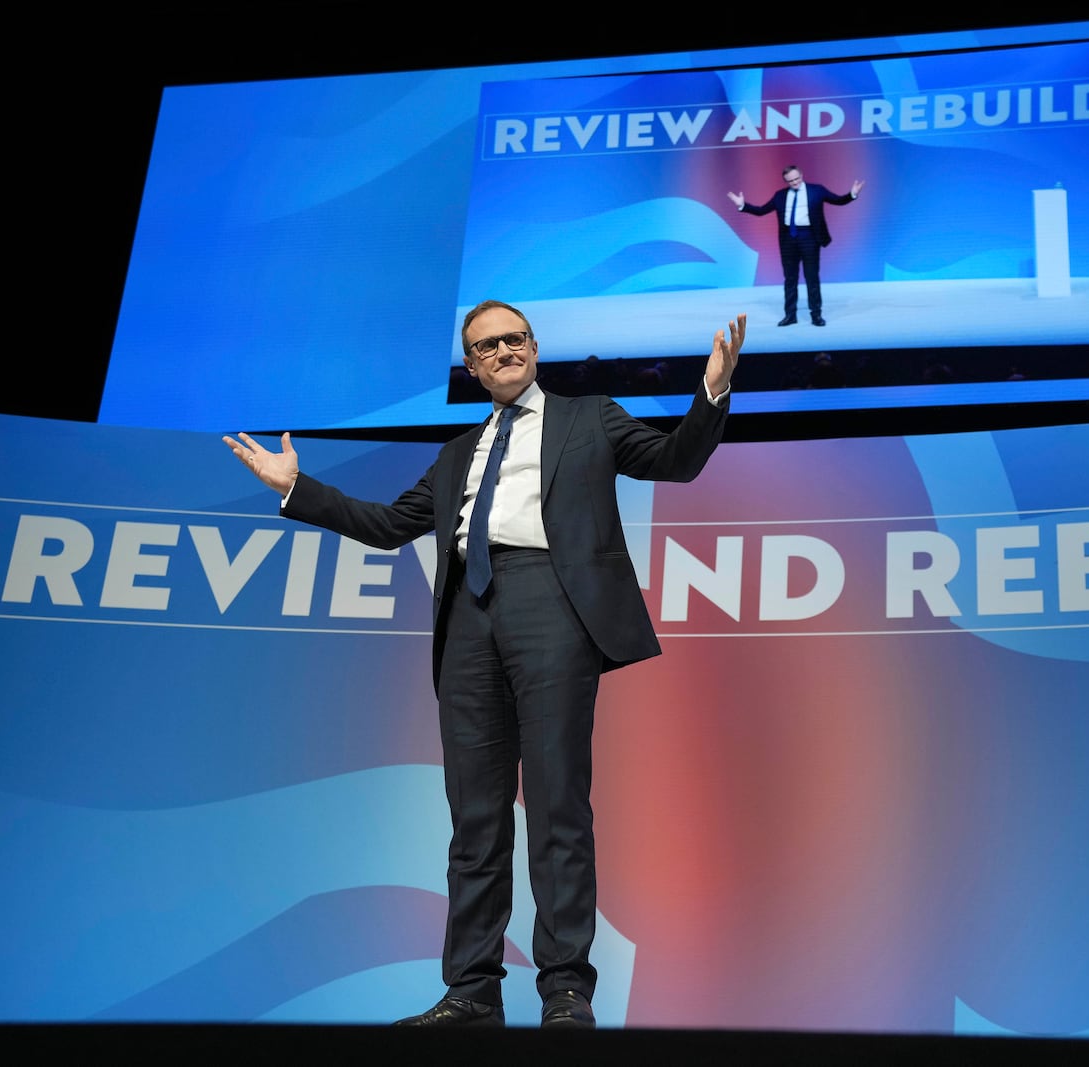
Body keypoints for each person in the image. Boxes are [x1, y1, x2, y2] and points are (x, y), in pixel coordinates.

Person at [224, 301, 747, 1030]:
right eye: (486, 346)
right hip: (466, 618)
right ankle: (472, 989)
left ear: (533, 347)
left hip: (551, 603)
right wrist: (294, 486)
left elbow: (675, 462)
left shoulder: (589, 417)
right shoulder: (456, 453)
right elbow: (386, 528)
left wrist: (713, 391)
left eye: (513, 339)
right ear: (471, 367)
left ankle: (565, 987)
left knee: (558, 804)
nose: (503, 351)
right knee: (474, 818)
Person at [728, 165, 864, 327]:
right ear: (786, 181)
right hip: (788, 241)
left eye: (797, 179)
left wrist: (853, 194)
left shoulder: (817, 190)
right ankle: (790, 315)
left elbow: (838, 200)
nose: (794, 183)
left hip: (810, 238)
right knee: (790, 279)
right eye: (790, 181)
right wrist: (742, 205)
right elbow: (761, 210)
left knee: (811, 277)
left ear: (801, 175)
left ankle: (816, 315)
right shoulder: (780, 196)